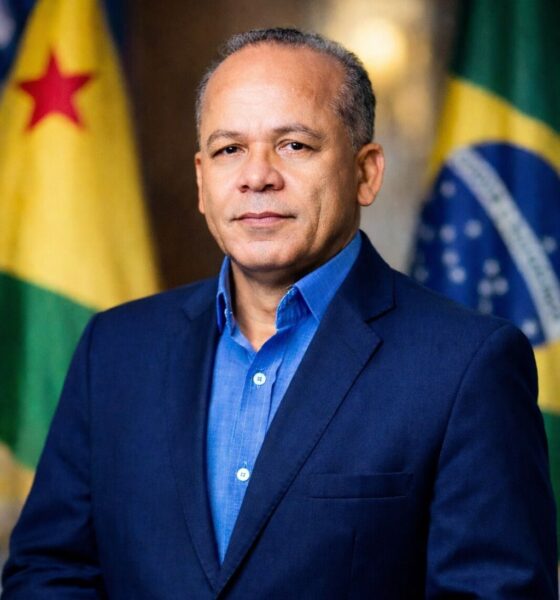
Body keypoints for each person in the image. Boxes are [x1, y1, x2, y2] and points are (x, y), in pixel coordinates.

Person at [2, 27, 557, 599]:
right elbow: (49, 573)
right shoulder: (115, 348)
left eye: (294, 145)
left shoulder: (467, 365)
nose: (257, 176)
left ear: (366, 173)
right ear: (202, 181)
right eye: (229, 149)